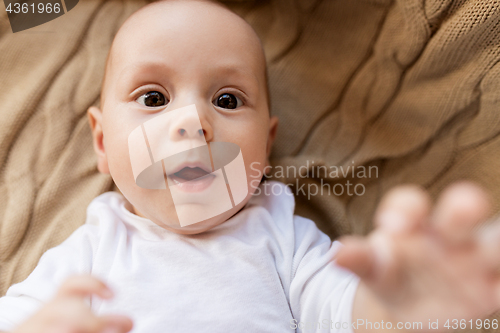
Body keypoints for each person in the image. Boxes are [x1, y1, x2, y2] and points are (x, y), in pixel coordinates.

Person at [1, 0, 499, 332]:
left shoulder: (282, 235)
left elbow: (341, 311)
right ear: (103, 141)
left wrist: (397, 305)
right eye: (153, 97)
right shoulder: (96, 242)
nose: (193, 123)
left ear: (267, 144)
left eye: (227, 99)